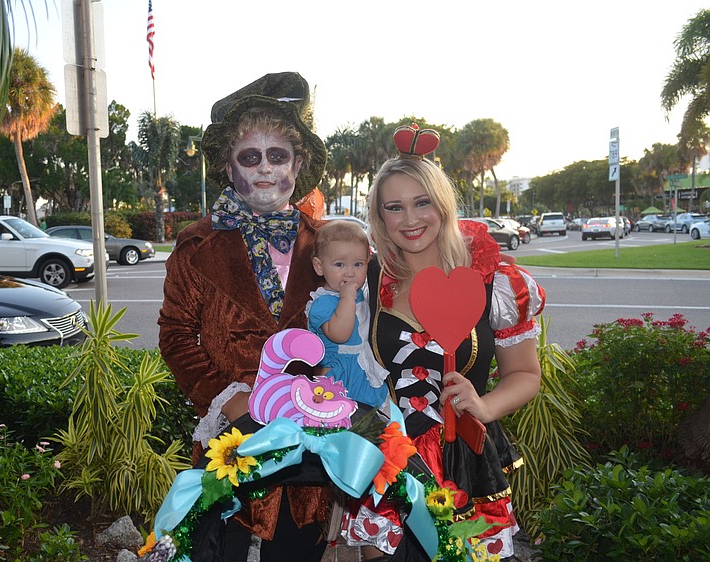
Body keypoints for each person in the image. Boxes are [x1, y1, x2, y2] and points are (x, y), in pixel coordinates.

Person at [351, 125, 546, 560]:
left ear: (442, 204)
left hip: (466, 465)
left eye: (422, 202)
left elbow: (525, 374)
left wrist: (485, 407)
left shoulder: (495, 280)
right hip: (389, 460)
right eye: (394, 207)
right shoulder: (365, 280)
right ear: (380, 217)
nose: (410, 219)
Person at [158, 72, 330, 562]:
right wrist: (227, 399)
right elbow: (175, 336)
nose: (265, 169)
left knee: (297, 552)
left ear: (298, 163)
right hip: (231, 441)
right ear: (228, 165)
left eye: (278, 155)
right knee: (223, 550)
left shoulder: (326, 243)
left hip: (307, 444)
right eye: (250, 157)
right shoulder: (197, 245)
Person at [306, 220, 388, 407]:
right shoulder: (322, 303)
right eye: (339, 264)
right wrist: (347, 299)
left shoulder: (360, 294)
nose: (350, 273)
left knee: (375, 419)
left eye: (358, 264)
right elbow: (340, 334)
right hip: (341, 376)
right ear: (319, 266)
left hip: (364, 371)